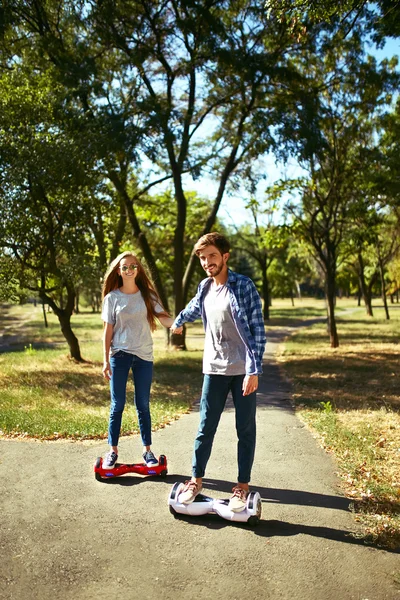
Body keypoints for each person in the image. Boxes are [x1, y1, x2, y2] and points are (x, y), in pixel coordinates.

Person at [171, 232, 266, 512]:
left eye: (212, 255)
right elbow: (193, 308)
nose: (207, 262)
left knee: (245, 429)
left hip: (242, 370)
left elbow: (258, 331)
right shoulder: (204, 287)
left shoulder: (243, 286)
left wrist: (254, 371)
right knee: (205, 427)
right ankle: (195, 480)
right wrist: (178, 321)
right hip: (213, 368)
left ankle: (242, 487)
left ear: (225, 256)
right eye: (202, 257)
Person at [101, 251, 174, 469]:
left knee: (142, 404)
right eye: (125, 267)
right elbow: (107, 331)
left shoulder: (148, 295)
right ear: (119, 271)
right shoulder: (112, 298)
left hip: (143, 356)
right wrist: (105, 361)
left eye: (133, 266)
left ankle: (147, 451)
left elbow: (164, 319)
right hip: (120, 355)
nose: (130, 269)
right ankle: (112, 451)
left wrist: (179, 322)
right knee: (118, 405)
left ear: (138, 269)